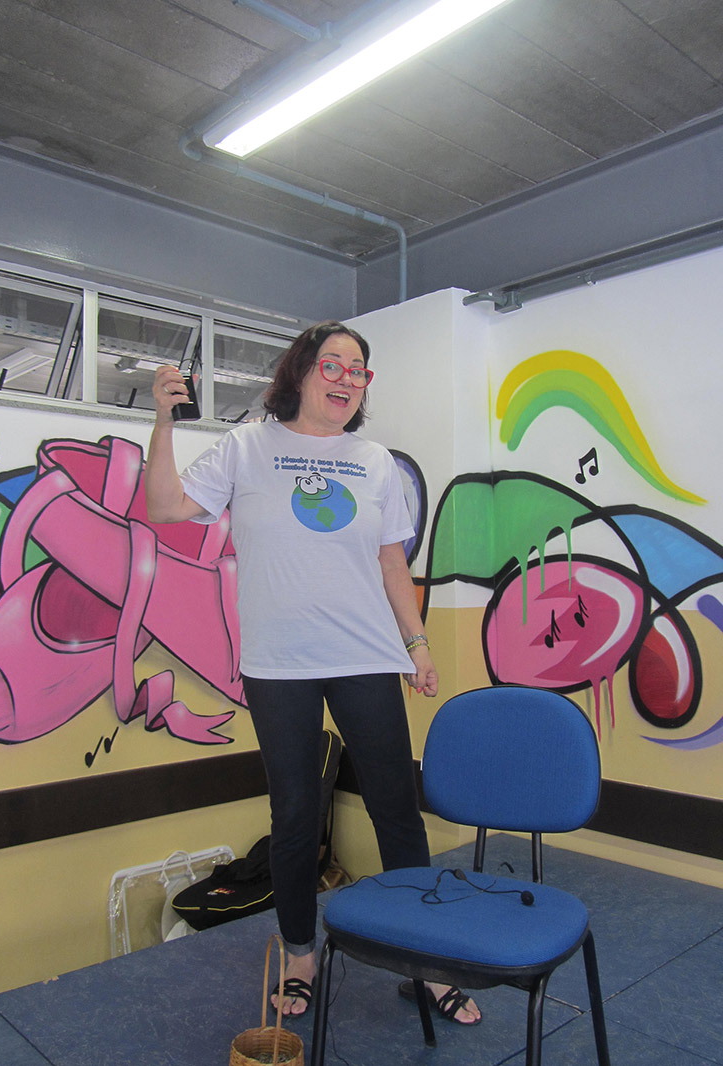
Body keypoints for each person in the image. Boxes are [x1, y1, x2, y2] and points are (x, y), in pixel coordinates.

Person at [144, 321, 480, 1026]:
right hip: (280, 666)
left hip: (367, 657)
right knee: (295, 818)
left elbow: (392, 562)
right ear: (300, 371)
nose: (346, 379)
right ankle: (301, 956)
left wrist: (417, 643)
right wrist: (163, 423)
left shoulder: (375, 461)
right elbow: (166, 507)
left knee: (396, 809)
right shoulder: (247, 447)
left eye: (359, 370)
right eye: (333, 364)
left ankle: (423, 962)